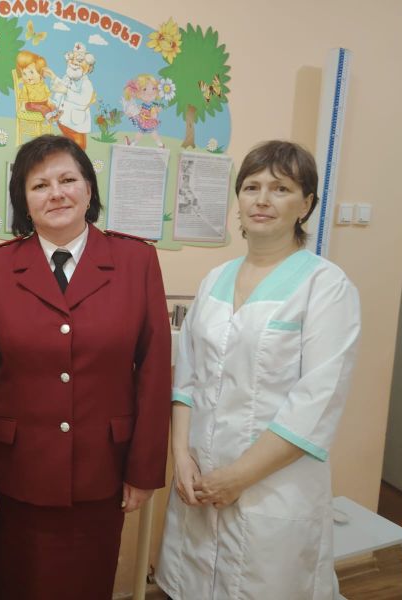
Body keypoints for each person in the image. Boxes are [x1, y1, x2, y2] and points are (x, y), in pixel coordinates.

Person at [0, 134, 171, 600]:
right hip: (16, 474)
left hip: (102, 472)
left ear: (89, 189)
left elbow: (154, 371)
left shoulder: (136, 261)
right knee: (14, 586)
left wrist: (143, 470)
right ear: (23, 200)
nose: (55, 193)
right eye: (39, 185)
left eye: (67, 180)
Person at [155, 140, 361, 599]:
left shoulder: (325, 286)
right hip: (200, 482)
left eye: (280, 188)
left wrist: (238, 477)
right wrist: (181, 457)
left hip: (273, 488)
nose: (262, 199)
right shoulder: (215, 280)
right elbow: (187, 379)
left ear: (305, 205)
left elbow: (316, 401)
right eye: (251, 187)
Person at [52, 43, 96, 150]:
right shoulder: (67, 77)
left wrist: (66, 91)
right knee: (65, 146)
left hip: (76, 123)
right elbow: (59, 91)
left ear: (89, 68)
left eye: (80, 61)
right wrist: (55, 104)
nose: (74, 63)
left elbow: (83, 100)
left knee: (79, 148)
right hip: (63, 120)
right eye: (72, 59)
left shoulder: (86, 83)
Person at [15, 50, 59, 120]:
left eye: (31, 72)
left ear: (40, 72)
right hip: (31, 104)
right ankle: (49, 117)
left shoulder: (42, 84)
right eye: (24, 74)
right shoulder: (26, 86)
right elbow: (24, 98)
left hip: (43, 101)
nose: (28, 77)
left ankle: (56, 115)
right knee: (43, 108)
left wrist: (49, 101)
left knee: (52, 105)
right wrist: (23, 107)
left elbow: (46, 93)